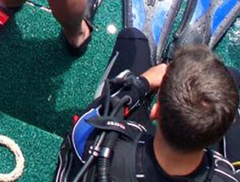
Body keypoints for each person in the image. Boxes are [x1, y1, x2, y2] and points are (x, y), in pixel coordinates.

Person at [54, 27, 240, 181]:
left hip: (128, 151)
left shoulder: (98, 145)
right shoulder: (225, 175)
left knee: (132, 37)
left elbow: (96, 115)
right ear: (220, 134)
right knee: (231, 76)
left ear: (155, 110)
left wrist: (141, 84)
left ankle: (166, 66)